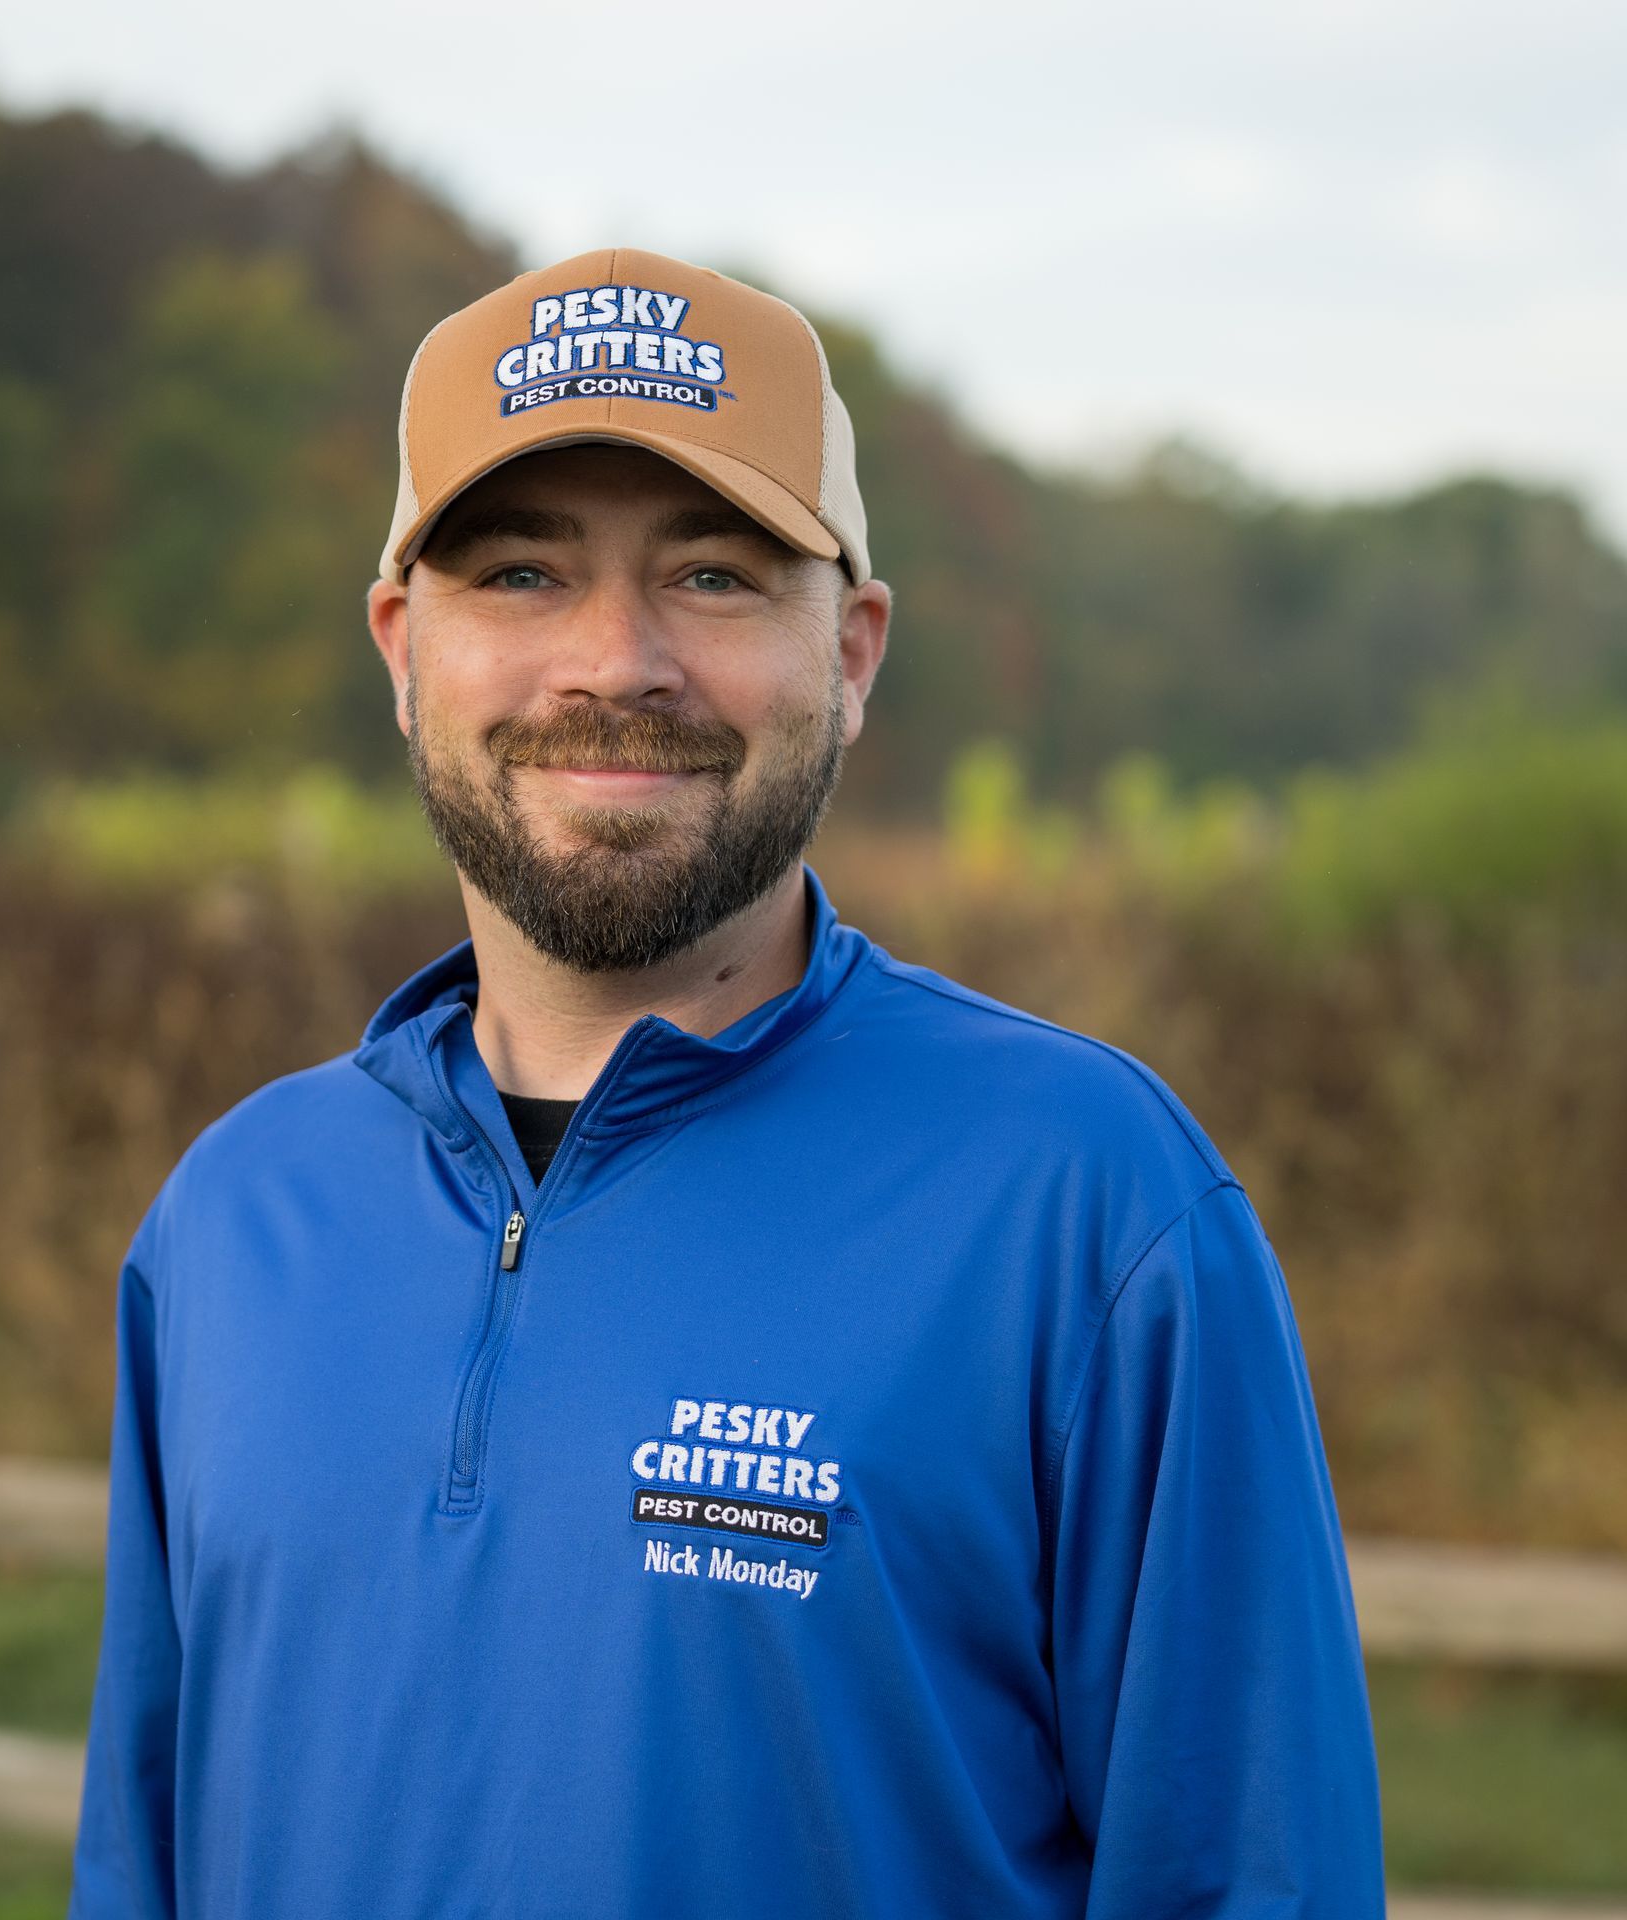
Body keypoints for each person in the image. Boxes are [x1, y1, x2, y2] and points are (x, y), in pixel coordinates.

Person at [68, 247, 1386, 1918]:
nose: (615, 662)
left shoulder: (1092, 1207)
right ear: (404, 647)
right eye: (522, 575)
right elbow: (142, 1864)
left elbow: (1251, 1878)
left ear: (851, 649)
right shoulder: (231, 1221)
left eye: (712, 575)